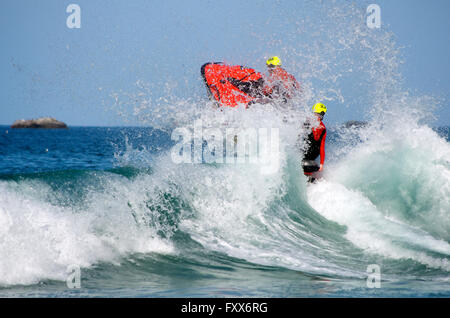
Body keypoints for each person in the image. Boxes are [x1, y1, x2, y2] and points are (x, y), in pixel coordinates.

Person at [301, 103, 327, 183]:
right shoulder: (308, 123)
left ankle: (311, 181)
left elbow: (322, 147)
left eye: (320, 115)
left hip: (309, 160)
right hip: (306, 159)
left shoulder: (322, 128)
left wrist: (322, 164)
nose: (318, 117)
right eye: (317, 114)